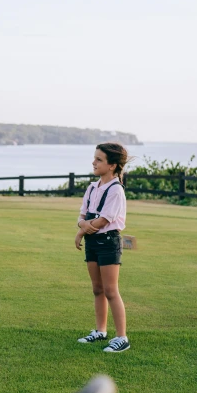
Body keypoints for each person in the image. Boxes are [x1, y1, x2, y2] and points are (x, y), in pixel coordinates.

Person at [75, 143, 130, 353]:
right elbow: (83, 214)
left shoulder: (116, 190)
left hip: (108, 242)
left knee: (110, 290)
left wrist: (81, 231)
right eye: (94, 158)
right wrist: (82, 225)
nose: (94, 162)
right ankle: (100, 331)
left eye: (99, 160)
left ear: (112, 165)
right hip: (93, 243)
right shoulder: (92, 187)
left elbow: (105, 220)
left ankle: (122, 337)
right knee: (97, 289)